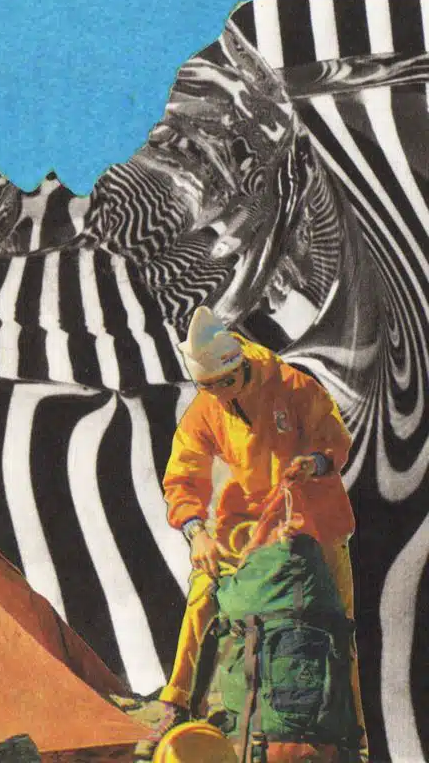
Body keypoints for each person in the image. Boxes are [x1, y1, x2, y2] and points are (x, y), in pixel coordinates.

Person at [139, 305, 366, 757]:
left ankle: (356, 724)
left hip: (313, 516)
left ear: (239, 367)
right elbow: (182, 477)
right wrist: (196, 532)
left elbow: (335, 441)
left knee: (337, 616)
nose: (217, 396)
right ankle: (177, 703)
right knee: (203, 595)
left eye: (222, 385)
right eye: (206, 388)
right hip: (244, 526)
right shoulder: (207, 409)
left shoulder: (293, 386)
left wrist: (315, 463)